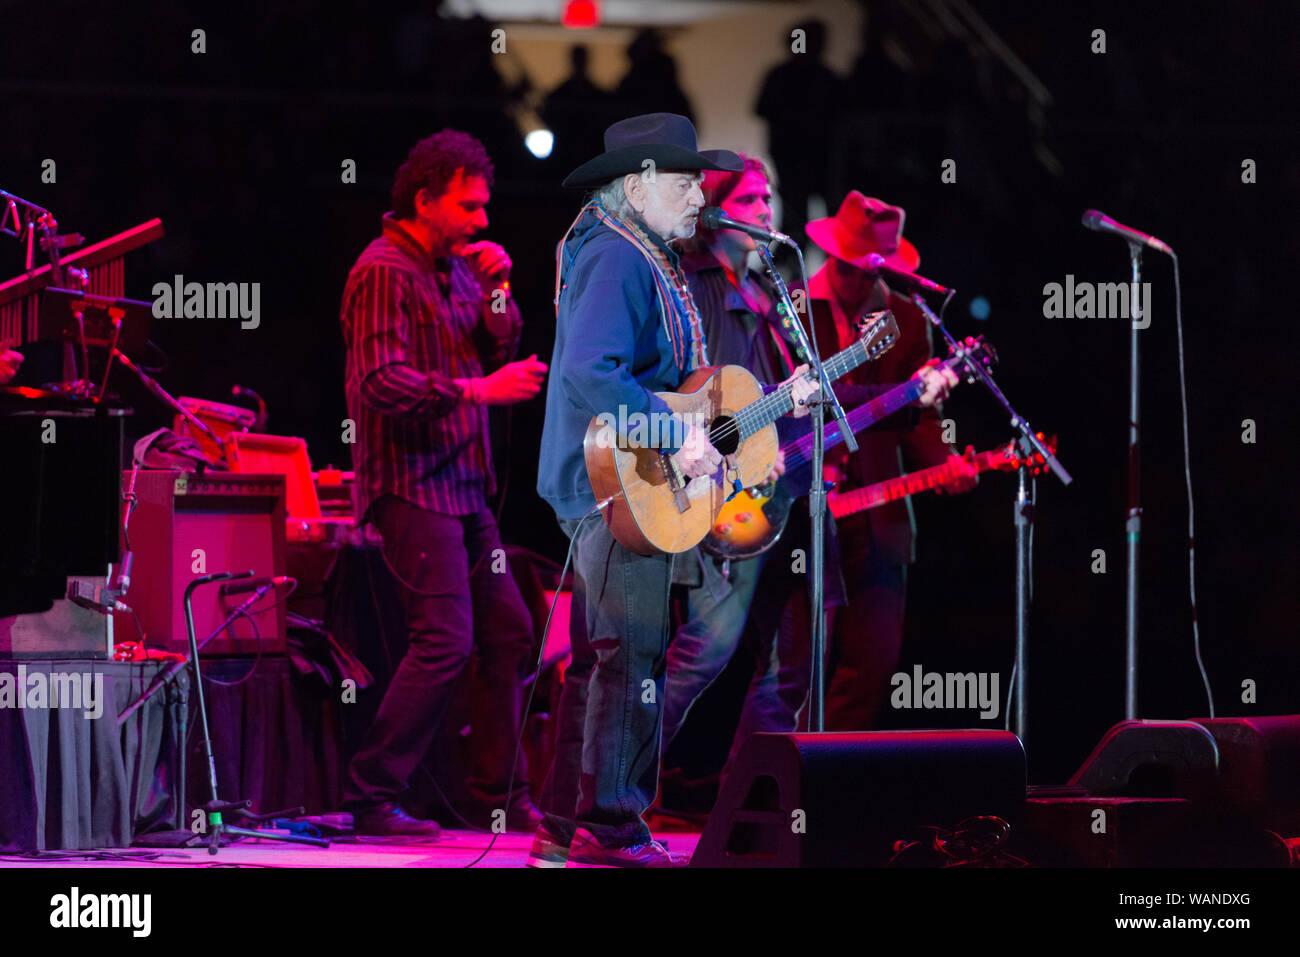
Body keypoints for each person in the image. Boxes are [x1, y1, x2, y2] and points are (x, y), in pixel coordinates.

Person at [532, 114, 818, 868]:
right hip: (611, 482)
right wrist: (674, 429)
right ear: (637, 185)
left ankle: (566, 827)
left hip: (621, 478)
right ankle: (611, 828)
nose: (699, 195)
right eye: (684, 181)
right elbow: (592, 374)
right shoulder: (620, 258)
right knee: (632, 655)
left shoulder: (640, 253)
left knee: (606, 659)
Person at [662, 159, 958, 788]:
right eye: (751, 198)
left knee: (794, 664)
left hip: (792, 494)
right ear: (715, 211)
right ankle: (604, 793)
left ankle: (746, 811)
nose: (768, 209)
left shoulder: (771, 291)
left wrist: (894, 390)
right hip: (728, 491)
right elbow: (702, 391)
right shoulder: (698, 285)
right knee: (705, 652)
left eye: (770, 195)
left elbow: (802, 393)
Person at [339, 129, 548, 838]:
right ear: (425, 200)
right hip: (411, 485)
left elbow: (501, 340)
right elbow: (378, 382)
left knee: (511, 631)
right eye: (469, 206)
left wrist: (498, 287)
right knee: (445, 640)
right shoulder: (383, 271)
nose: (482, 220)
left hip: (463, 486)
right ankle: (372, 794)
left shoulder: (457, 266)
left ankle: (497, 792)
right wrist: (478, 392)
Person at [799, 192, 978, 731]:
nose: (858, 280)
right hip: (804, 510)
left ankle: (829, 787)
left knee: (873, 662)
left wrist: (946, 461)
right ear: (835, 256)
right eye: (851, 267)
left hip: (879, 513)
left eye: (869, 269)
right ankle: (777, 789)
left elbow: (926, 418)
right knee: (798, 664)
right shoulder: (796, 310)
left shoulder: (906, 317)